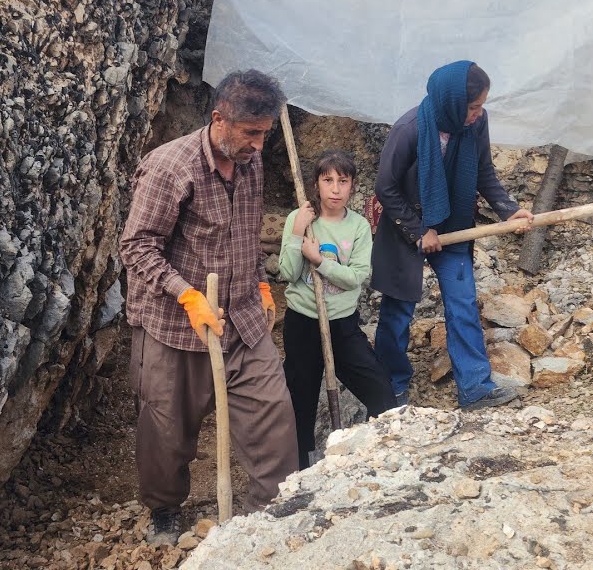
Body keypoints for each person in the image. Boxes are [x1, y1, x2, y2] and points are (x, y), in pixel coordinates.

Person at [120, 70, 297, 544]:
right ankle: (163, 510)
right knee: (167, 429)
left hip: (240, 317)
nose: (260, 145)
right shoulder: (169, 168)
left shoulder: (251, 164)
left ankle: (271, 517)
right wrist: (187, 294)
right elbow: (136, 247)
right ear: (220, 119)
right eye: (251, 133)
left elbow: (247, 232)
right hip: (176, 326)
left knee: (273, 416)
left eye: (266, 133)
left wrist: (260, 282)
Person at [370, 61, 533, 410]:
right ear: (453, 103)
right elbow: (385, 186)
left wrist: (508, 208)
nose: (478, 114)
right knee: (399, 310)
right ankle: (391, 386)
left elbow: (484, 171)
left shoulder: (477, 124)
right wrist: (418, 230)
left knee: (462, 304)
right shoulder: (410, 129)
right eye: (472, 107)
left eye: (481, 106)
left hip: (454, 223)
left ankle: (475, 387)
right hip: (406, 227)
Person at [279, 150, 396, 469]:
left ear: (352, 186)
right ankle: (300, 471)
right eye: (327, 180)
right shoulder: (300, 219)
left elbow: (356, 277)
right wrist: (296, 233)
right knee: (299, 402)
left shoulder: (358, 227)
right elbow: (287, 273)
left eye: (342, 181)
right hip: (302, 324)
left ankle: (376, 458)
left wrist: (319, 262)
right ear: (316, 184)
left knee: (381, 392)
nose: (334, 189)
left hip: (342, 326)